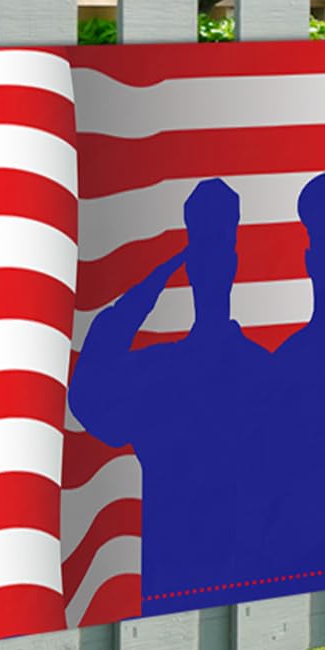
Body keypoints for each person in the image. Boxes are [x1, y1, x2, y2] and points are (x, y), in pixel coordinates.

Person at [68, 177, 274, 599]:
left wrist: (151, 287)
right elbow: (87, 396)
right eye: (208, 253)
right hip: (181, 590)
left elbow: (90, 385)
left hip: (222, 586)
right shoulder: (256, 372)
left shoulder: (163, 376)